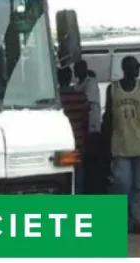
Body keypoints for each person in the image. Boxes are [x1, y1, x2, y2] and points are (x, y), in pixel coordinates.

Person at [103, 55, 140, 235]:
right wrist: (105, 143)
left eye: (138, 66)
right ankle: (123, 221)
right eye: (135, 67)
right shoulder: (113, 89)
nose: (138, 69)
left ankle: (137, 221)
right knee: (123, 185)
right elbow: (108, 117)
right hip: (120, 146)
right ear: (125, 69)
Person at [73, 59, 105, 194]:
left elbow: (87, 104)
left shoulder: (90, 82)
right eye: (75, 69)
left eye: (78, 69)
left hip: (92, 127)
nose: (76, 72)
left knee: (93, 160)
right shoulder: (77, 85)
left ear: (84, 69)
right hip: (82, 128)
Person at [57, 66, 89, 194]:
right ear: (70, 78)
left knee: (61, 177)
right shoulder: (80, 97)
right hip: (78, 143)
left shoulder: (55, 100)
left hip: (60, 145)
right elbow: (85, 121)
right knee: (78, 178)